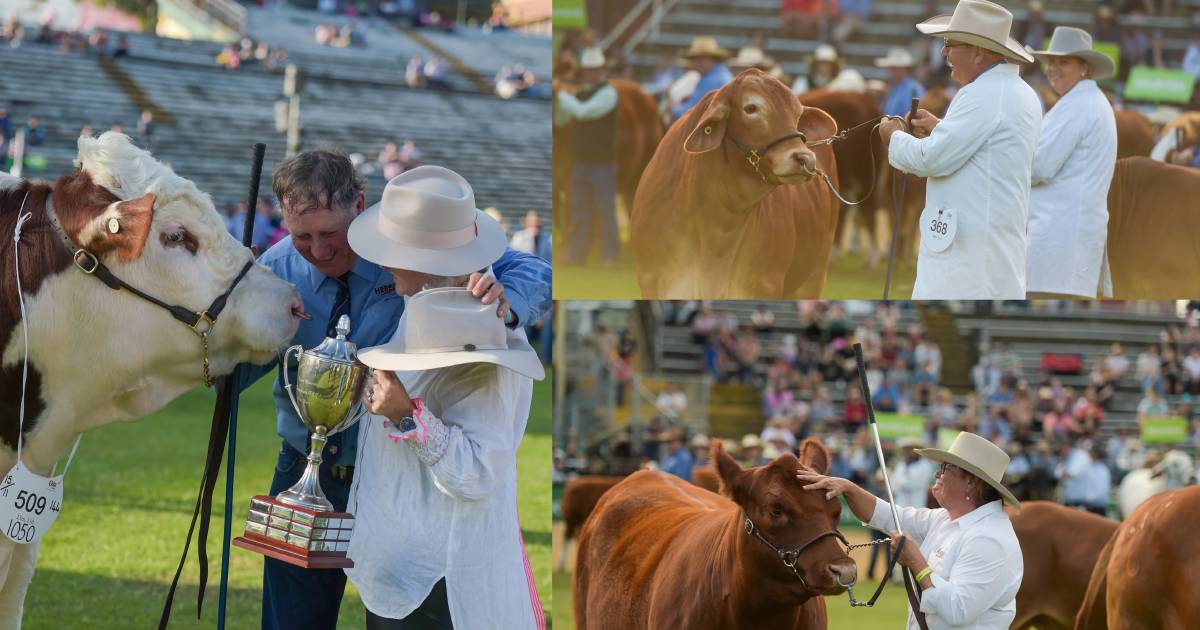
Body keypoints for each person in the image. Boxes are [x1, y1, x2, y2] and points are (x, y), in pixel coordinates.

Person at [237, 152, 550, 630]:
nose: (318, 251)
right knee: (292, 619)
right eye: (302, 236)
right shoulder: (275, 269)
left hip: (398, 478)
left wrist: (506, 306)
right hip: (305, 469)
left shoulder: (413, 246)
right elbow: (228, 368)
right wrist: (222, 325)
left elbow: (528, 268)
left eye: (329, 234)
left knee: (397, 604)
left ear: (360, 206)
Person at [345, 166, 546, 628]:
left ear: (425, 260)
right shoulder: (429, 303)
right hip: (410, 565)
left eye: (392, 251)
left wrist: (404, 414)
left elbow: (476, 472)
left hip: (443, 582)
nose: (382, 263)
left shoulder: (480, 331)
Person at [877, 0, 1041, 299]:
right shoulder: (1020, 93)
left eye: (950, 43)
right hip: (989, 247)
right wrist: (941, 127)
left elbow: (929, 160)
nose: (944, 53)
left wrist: (894, 135)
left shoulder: (980, 94)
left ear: (978, 51)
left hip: (968, 257)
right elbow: (986, 148)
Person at [798, 431, 1023, 629]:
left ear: (971, 482)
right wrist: (847, 488)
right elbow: (888, 515)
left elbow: (958, 611)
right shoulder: (946, 518)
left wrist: (917, 562)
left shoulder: (989, 538)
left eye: (945, 467)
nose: (938, 473)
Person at [1026, 27, 1118, 299]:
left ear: (1084, 68)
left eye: (1063, 62)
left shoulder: (1077, 105)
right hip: (1068, 235)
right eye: (1051, 62)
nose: (1053, 68)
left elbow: (1039, 167)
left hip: (1057, 236)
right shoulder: (1088, 101)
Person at [554, 47, 619, 266]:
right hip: (581, 162)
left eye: (595, 69)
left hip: (602, 163)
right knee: (580, 210)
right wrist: (561, 99)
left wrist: (561, 93)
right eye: (589, 70)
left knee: (605, 210)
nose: (592, 73)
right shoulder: (580, 94)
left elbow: (583, 112)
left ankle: (610, 255)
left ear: (602, 70)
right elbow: (563, 119)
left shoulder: (608, 93)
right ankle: (577, 253)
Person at [671, 36, 733, 119]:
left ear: (713, 59)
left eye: (702, 59)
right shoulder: (720, 74)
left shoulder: (711, 80)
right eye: (694, 59)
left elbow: (692, 111)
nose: (697, 63)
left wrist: (674, 108)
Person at [875, 47, 926, 117]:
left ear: (903, 69)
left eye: (894, 68)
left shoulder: (914, 89)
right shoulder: (892, 88)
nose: (890, 72)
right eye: (890, 68)